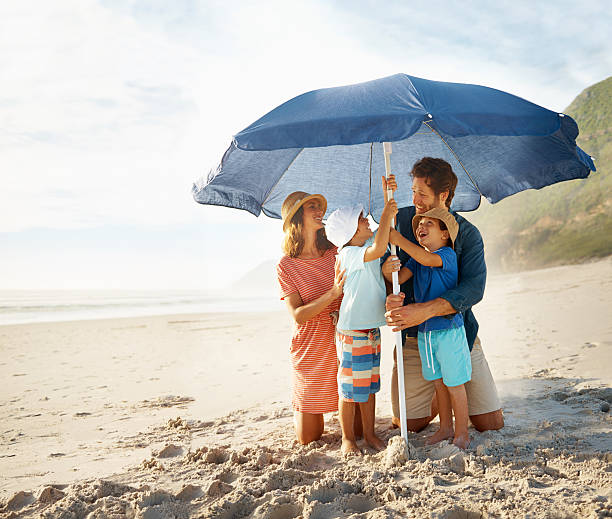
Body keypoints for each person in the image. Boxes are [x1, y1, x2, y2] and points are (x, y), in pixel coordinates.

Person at [382, 157, 504, 434]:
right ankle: (441, 396)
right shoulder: (399, 221)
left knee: (490, 424)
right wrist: (388, 290)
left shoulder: (467, 235)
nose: (415, 200)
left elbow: (474, 288)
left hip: (455, 333)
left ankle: (452, 388)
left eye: (422, 194)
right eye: (412, 191)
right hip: (415, 337)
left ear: (444, 195)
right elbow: (387, 276)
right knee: (409, 425)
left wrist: (425, 310)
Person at [388, 208, 471, 448]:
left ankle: (462, 432)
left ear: (445, 234)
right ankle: (445, 427)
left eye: (428, 224)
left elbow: (427, 260)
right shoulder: (416, 258)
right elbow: (400, 277)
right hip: (425, 332)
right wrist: (391, 267)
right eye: (418, 224)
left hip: (448, 331)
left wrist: (400, 240)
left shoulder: (447, 255)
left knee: (454, 384)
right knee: (438, 383)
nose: (420, 227)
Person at [325, 193, 397, 455]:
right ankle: (348, 438)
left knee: (368, 386)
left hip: (371, 329)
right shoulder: (348, 254)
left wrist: (389, 203)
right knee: (350, 389)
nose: (368, 220)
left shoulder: (366, 247)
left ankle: (369, 434)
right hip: (353, 330)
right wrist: (387, 212)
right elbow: (378, 248)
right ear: (348, 231)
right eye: (361, 219)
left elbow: (383, 244)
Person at [276, 191, 346, 445]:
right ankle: (301, 404)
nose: (319, 211)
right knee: (308, 438)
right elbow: (298, 315)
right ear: (296, 218)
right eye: (311, 207)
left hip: (342, 340)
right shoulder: (286, 265)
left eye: (319, 206)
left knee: (357, 429)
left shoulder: (336, 252)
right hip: (310, 346)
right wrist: (333, 293)